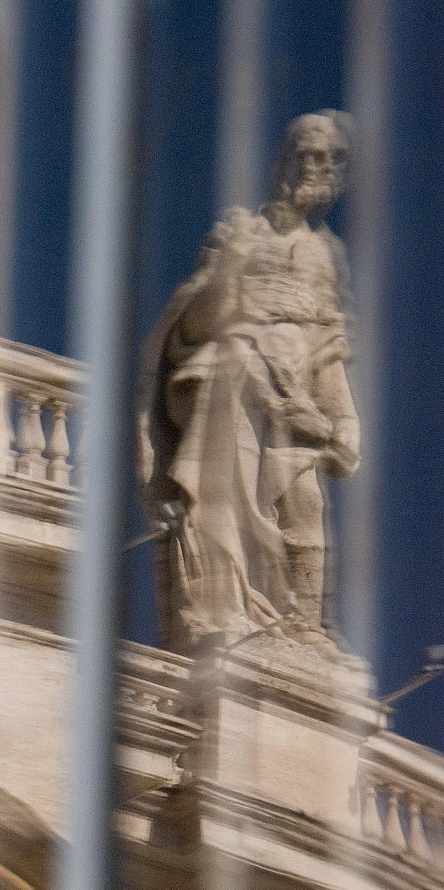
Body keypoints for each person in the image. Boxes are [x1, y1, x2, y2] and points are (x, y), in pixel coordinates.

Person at [138, 111, 360, 657]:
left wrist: (343, 421)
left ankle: (304, 627)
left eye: (330, 160)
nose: (318, 167)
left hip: (296, 400)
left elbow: (328, 351)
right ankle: (229, 608)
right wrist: (229, 272)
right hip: (232, 383)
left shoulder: (326, 256)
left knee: (305, 503)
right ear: (285, 161)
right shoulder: (238, 231)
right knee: (225, 495)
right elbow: (191, 326)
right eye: (309, 154)